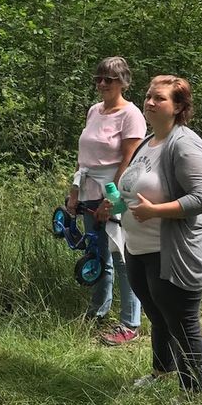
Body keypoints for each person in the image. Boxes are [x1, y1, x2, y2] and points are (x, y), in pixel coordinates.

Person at [109, 75, 202, 393]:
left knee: (182, 323)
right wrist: (118, 202)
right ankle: (162, 371)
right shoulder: (148, 141)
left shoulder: (184, 145)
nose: (150, 102)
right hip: (139, 248)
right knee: (158, 316)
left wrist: (156, 211)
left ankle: (193, 392)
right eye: (148, 96)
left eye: (160, 98)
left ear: (179, 106)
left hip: (173, 251)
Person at [67, 56, 146, 345]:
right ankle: (98, 311)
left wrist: (112, 199)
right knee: (96, 252)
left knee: (121, 256)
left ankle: (130, 323)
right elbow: (84, 158)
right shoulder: (94, 111)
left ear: (123, 81)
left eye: (108, 80)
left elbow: (130, 160)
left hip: (115, 192)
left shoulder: (131, 114)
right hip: (88, 188)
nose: (102, 84)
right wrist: (75, 190)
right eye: (98, 79)